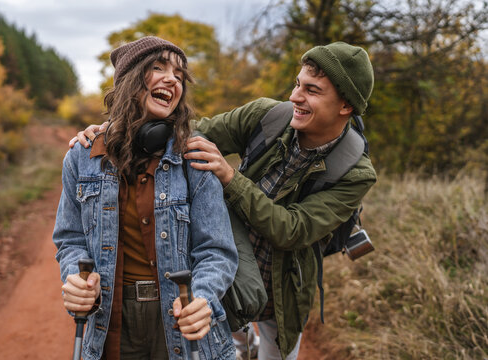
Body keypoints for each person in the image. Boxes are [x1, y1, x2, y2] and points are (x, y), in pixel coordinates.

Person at [71, 41, 377, 360]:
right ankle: (245, 343)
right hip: (228, 264)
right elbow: (191, 133)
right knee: (228, 340)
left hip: (283, 285)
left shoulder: (357, 173)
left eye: (312, 91)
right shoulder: (266, 115)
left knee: (277, 352)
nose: (295, 97)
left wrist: (230, 178)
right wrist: (121, 128)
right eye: (297, 84)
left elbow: (293, 231)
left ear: (345, 106)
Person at [54, 36, 238, 360]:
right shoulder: (82, 157)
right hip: (111, 321)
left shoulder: (195, 156)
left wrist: (203, 299)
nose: (172, 79)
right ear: (129, 80)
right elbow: (70, 239)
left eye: (179, 75)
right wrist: (76, 279)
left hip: (179, 321)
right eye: (158, 67)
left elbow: (216, 250)